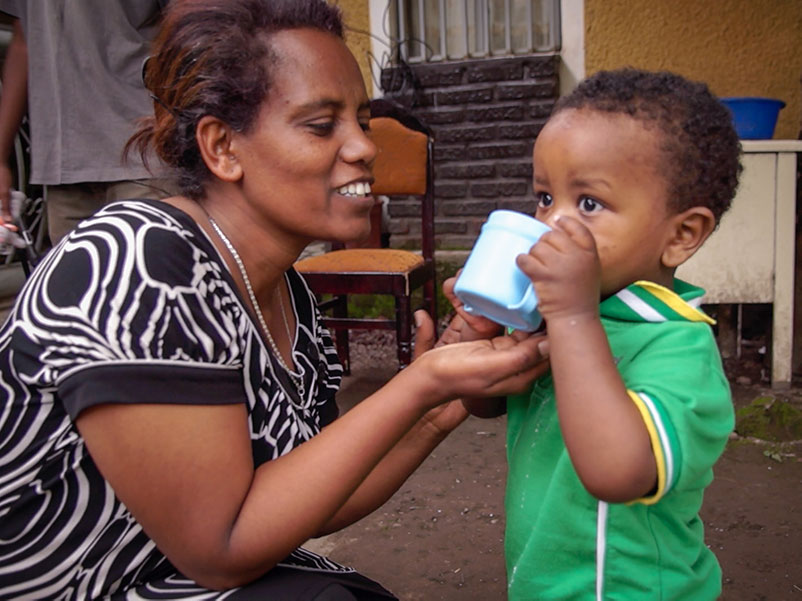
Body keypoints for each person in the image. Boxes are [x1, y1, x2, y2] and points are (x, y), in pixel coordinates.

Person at [0, 1, 550, 599]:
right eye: (322, 125)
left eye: (362, 121)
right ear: (222, 148)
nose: (364, 147)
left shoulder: (290, 294)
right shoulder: (137, 261)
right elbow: (224, 549)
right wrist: (420, 385)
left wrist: (441, 405)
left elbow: (308, 504)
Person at [443, 68, 742, 600]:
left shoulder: (677, 347)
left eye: (587, 204)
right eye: (543, 197)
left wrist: (573, 319)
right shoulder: (557, 314)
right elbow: (487, 405)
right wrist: (470, 339)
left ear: (681, 235)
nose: (551, 224)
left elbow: (618, 473)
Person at [0, 0, 176, 246]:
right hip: (62, 168)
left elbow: (195, 25)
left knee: (147, 275)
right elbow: (24, 38)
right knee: (74, 282)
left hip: (143, 154)